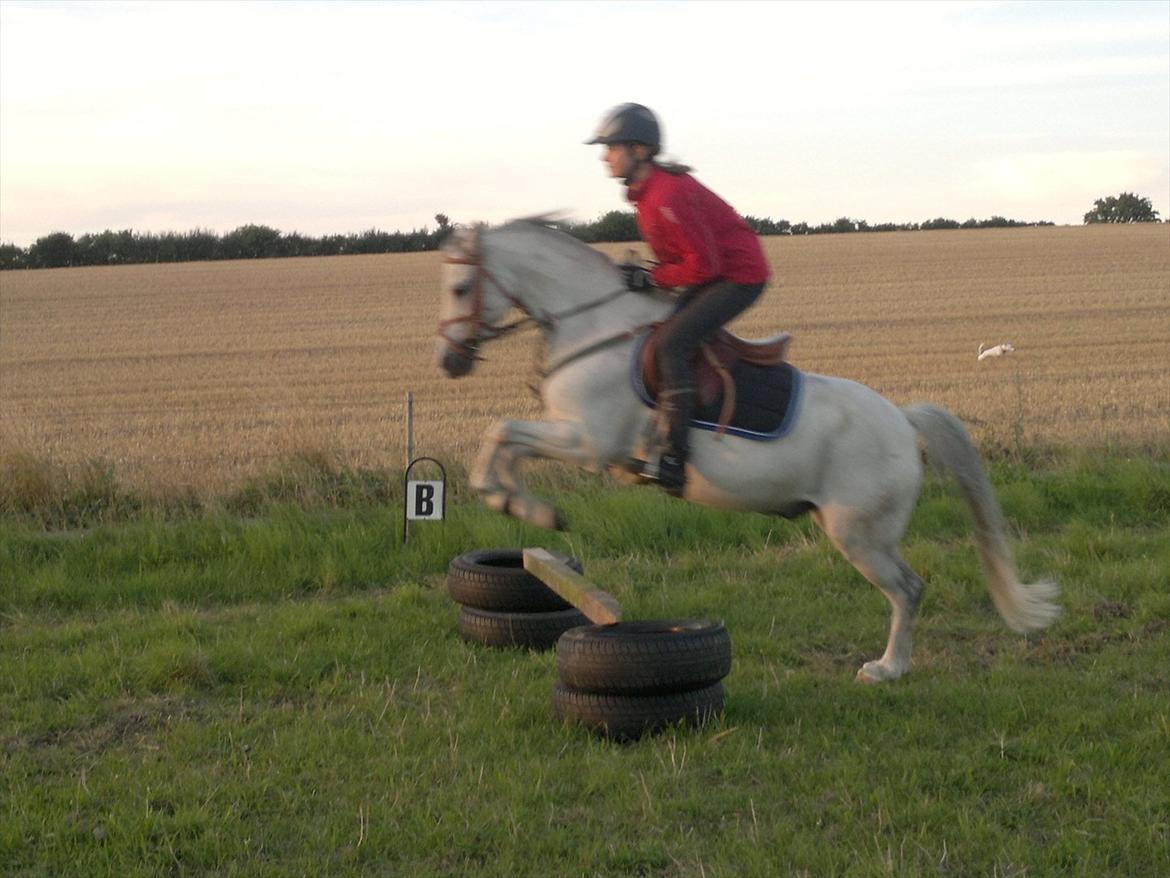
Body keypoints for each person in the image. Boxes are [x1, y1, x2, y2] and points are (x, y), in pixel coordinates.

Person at [586, 102, 771, 496]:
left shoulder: (665, 195)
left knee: (671, 345)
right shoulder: (647, 195)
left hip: (739, 277)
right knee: (649, 330)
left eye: (611, 147)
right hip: (716, 273)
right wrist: (646, 276)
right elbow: (683, 261)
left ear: (638, 150)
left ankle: (674, 456)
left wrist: (651, 277)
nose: (604, 156)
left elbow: (703, 265)